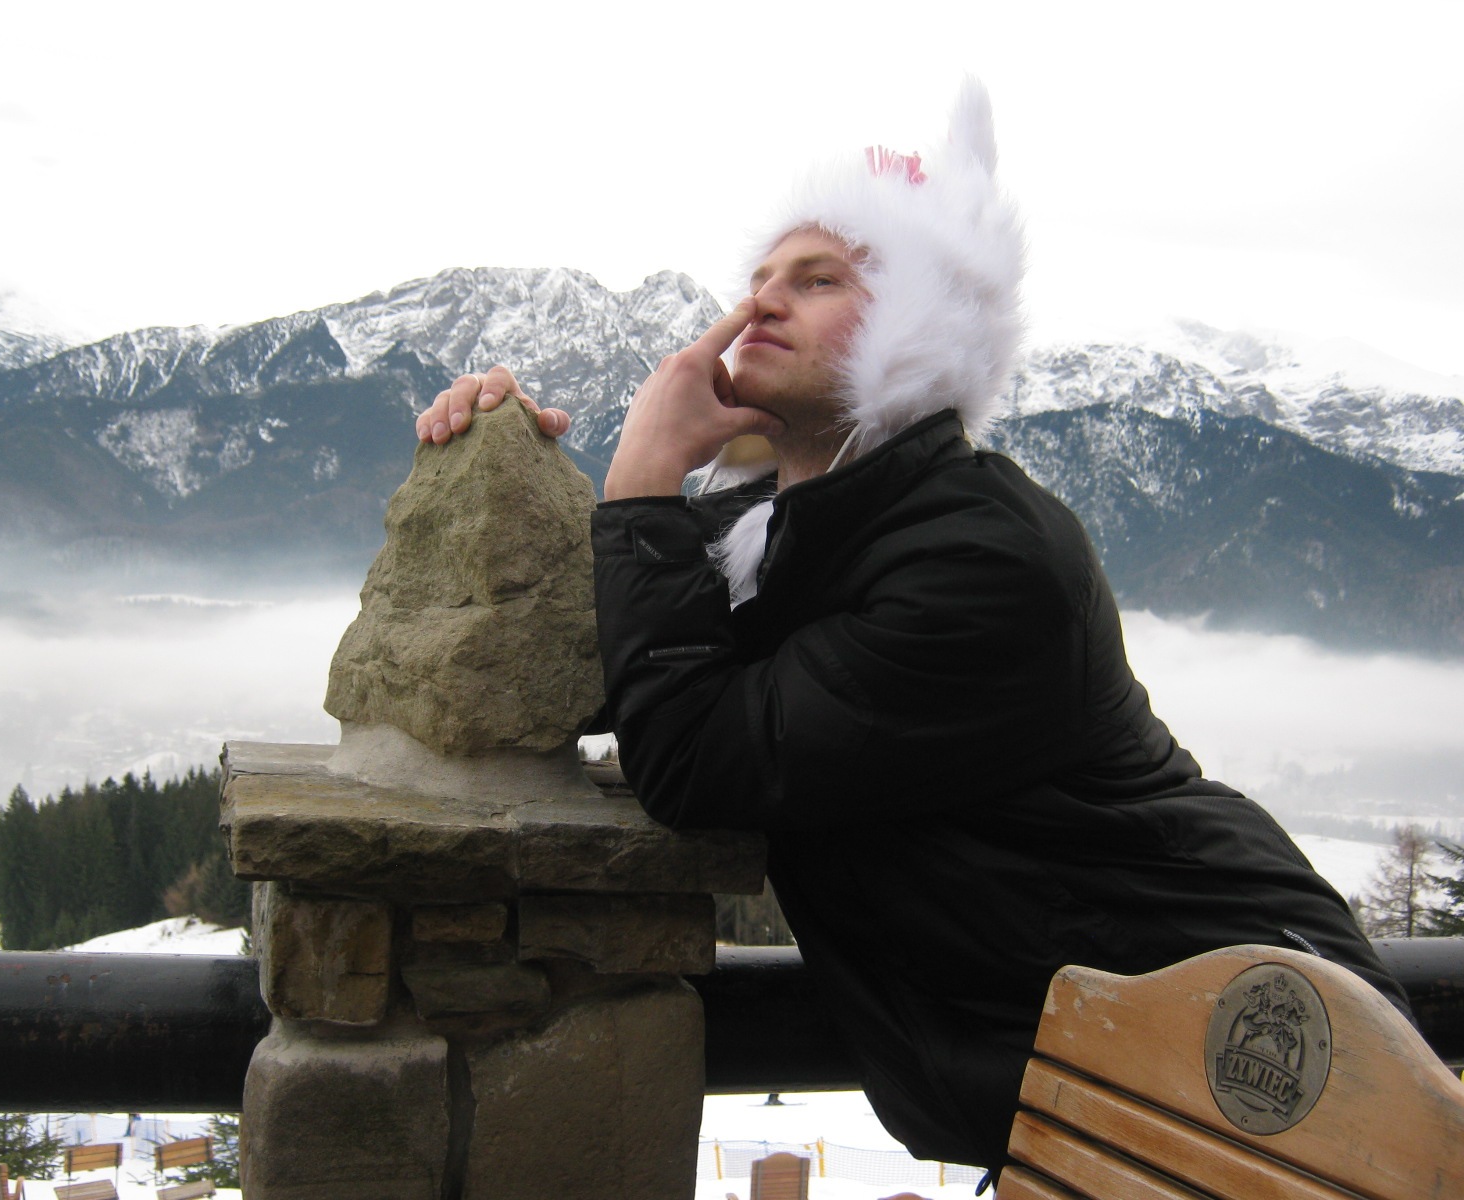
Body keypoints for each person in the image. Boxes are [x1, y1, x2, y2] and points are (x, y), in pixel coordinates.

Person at [415, 80, 1409, 1172]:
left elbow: (694, 755)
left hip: (1261, 1061)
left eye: (819, 279)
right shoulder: (790, 530)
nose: (761, 303)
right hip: (1113, 1090)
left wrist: (646, 478)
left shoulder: (982, 556)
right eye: (758, 280)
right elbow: (637, 645)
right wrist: (502, 460)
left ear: (920, 324)